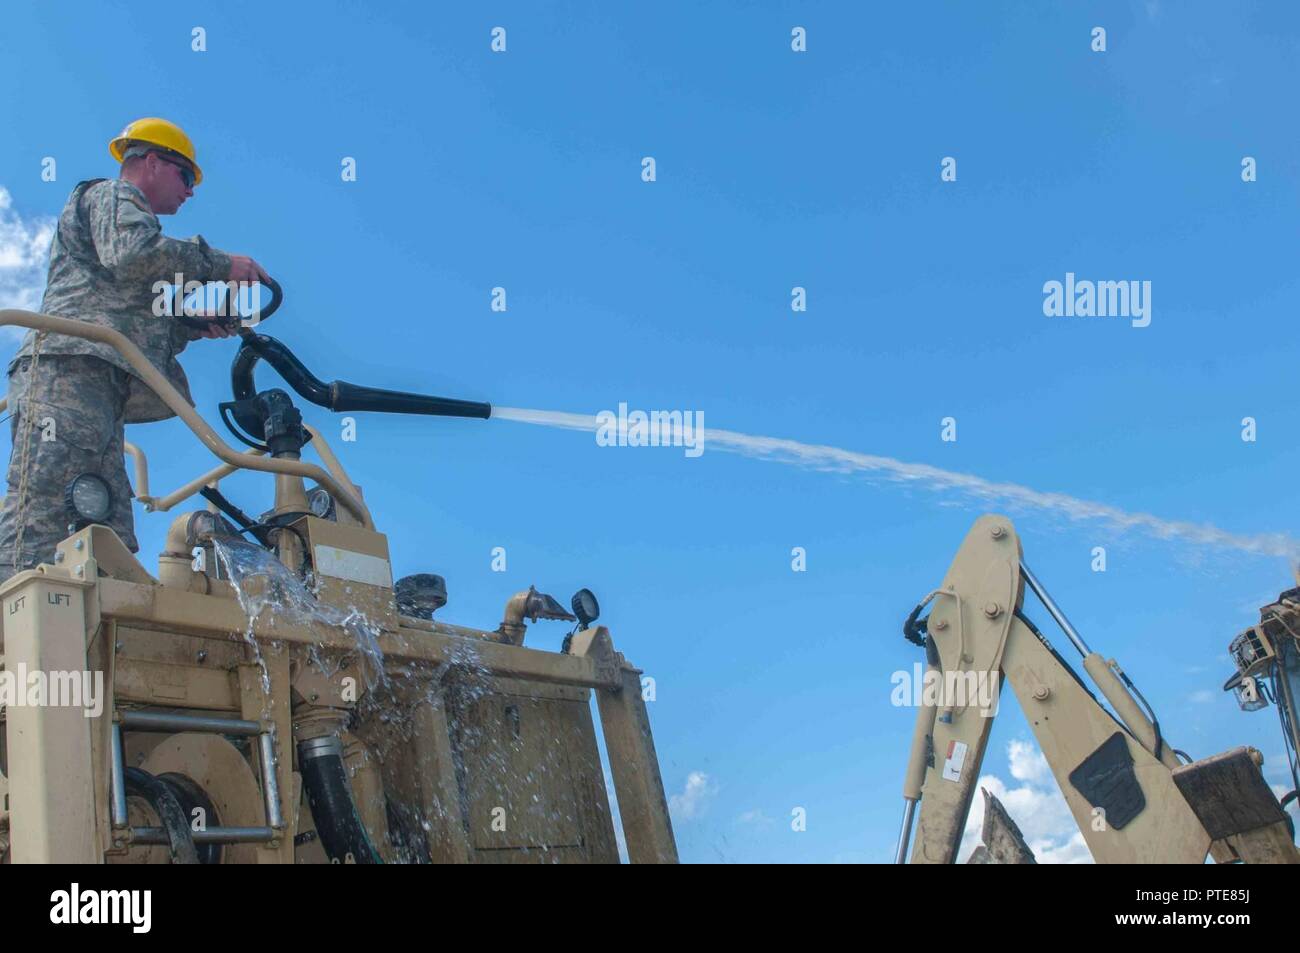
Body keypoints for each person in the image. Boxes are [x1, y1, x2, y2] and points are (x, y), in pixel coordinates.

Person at [0, 117, 269, 578]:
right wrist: (220, 263)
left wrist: (192, 324)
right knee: (45, 507)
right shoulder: (111, 195)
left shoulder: (128, 225)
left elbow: (127, 305)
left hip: (102, 388)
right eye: (186, 176)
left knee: (105, 524)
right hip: (68, 373)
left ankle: (101, 628)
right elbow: (132, 255)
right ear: (150, 162)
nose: (190, 191)